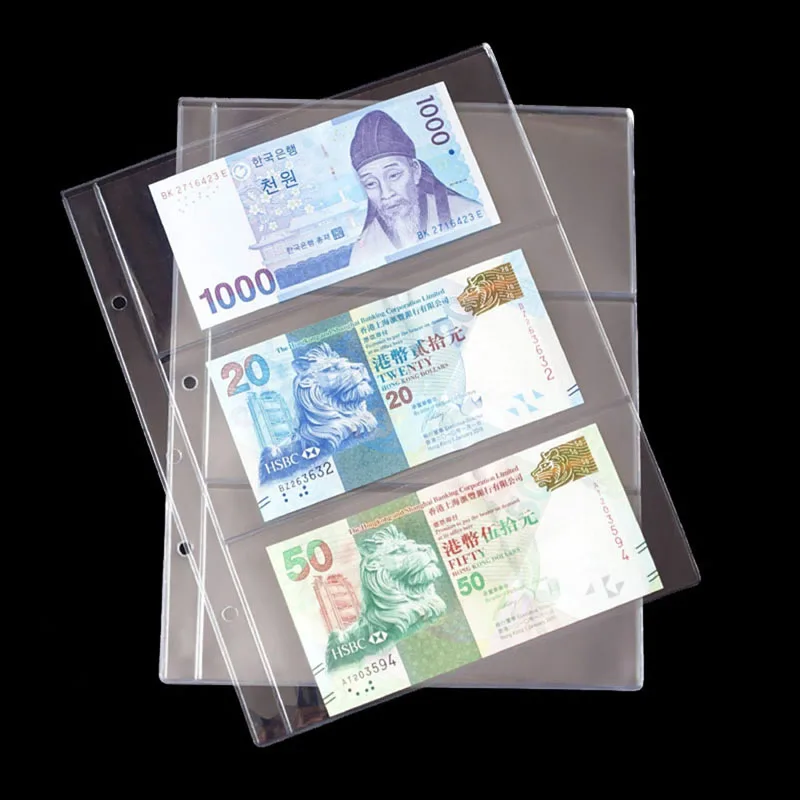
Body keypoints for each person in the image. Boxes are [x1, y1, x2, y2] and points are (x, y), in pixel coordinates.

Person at [348, 110, 482, 266]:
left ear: (416, 171)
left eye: (394, 175)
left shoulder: (468, 211)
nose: (386, 194)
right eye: (371, 183)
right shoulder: (363, 251)